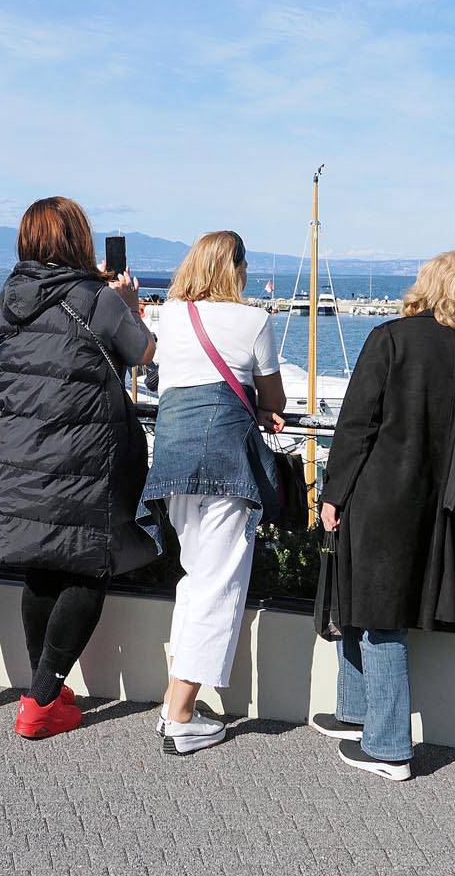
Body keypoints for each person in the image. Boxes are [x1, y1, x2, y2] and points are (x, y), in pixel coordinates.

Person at [316, 251, 455, 781]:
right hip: (442, 501)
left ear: (427, 284)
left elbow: (356, 426)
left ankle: (390, 746)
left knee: (378, 614)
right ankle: (354, 712)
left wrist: (333, 493)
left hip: (378, 496)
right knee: (366, 602)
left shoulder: (391, 339)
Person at [0, 196, 157, 740]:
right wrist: (125, 303)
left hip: (19, 452)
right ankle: (40, 700)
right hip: (80, 456)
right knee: (86, 564)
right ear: (77, 239)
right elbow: (143, 351)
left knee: (41, 564)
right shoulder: (98, 299)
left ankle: (47, 690)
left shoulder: (13, 298)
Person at [141, 231, 286, 755]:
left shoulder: (172, 315)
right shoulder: (254, 320)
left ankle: (171, 702)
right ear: (238, 269)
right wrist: (260, 403)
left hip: (174, 458)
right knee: (219, 584)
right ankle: (181, 715)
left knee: (196, 576)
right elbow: (275, 397)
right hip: (227, 460)